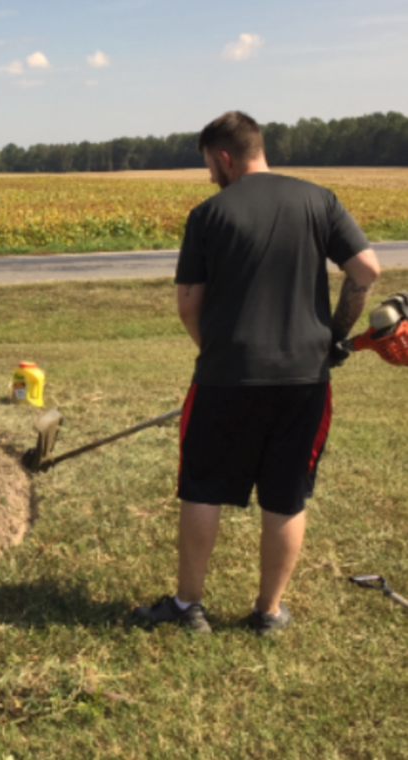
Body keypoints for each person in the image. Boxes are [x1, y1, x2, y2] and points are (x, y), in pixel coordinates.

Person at [133, 111, 381, 637]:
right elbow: (366, 271)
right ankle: (268, 612)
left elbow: (187, 306)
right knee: (286, 494)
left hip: (225, 377)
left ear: (224, 157)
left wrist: (218, 352)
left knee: (201, 487)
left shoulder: (208, 214)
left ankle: (187, 607)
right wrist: (336, 333)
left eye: (208, 165)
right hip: (305, 378)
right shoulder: (321, 201)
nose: (209, 176)